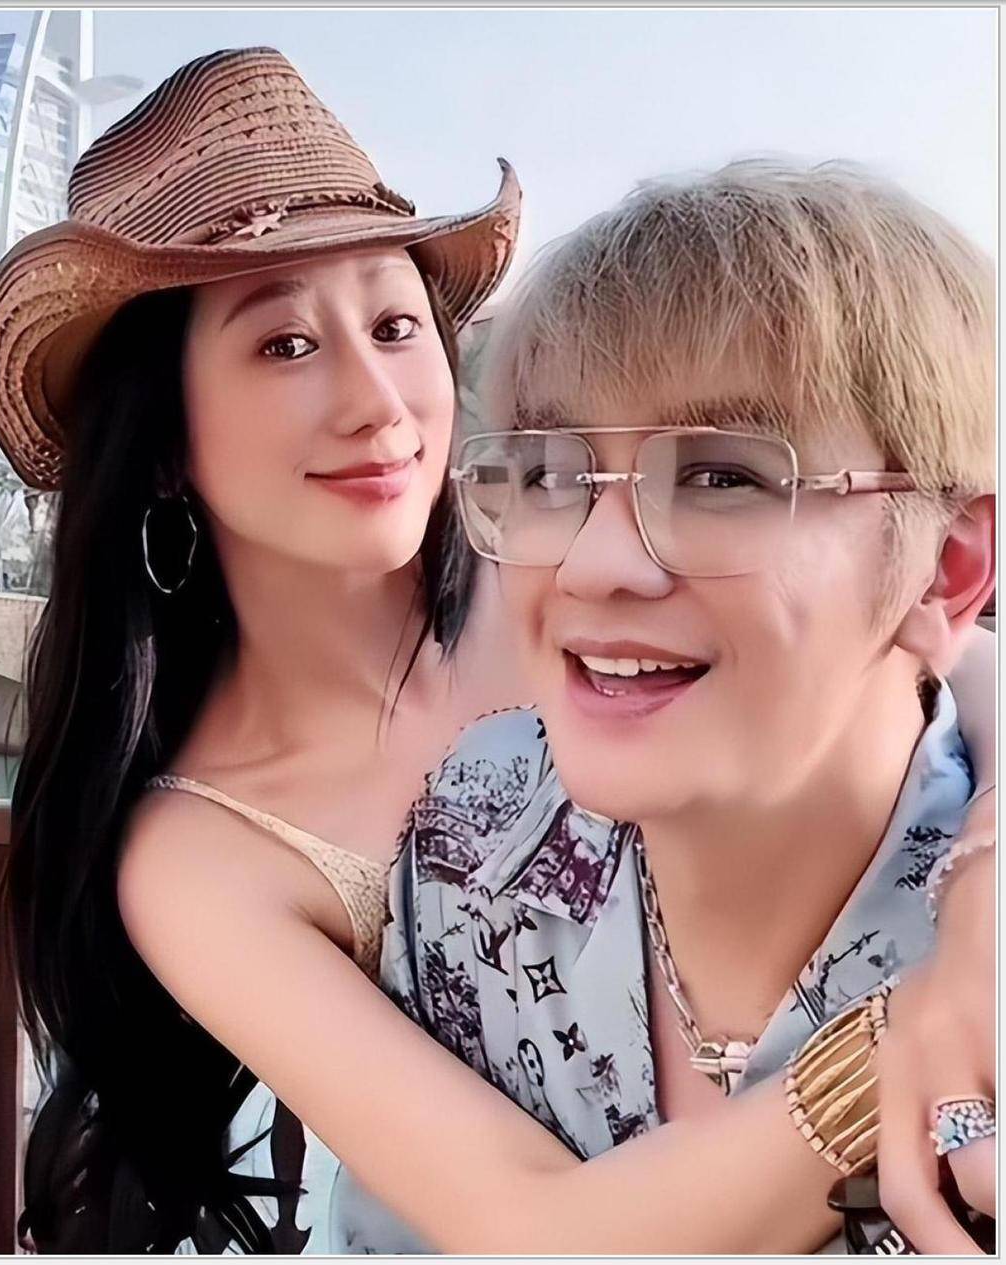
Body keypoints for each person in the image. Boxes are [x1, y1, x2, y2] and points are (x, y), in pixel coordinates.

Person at [0, 47, 998, 1257]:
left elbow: (941, 645)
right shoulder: (207, 849)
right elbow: (527, 1224)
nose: (379, 400)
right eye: (285, 344)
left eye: (397, 323)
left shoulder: (561, 579)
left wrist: (986, 889)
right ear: (161, 441)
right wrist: (900, 1038)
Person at [372, 159, 996, 1253]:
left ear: (944, 571)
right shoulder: (474, 837)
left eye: (722, 476)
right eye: (550, 474)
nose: (594, 564)